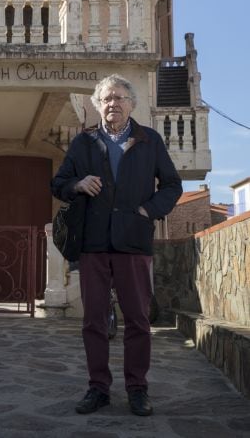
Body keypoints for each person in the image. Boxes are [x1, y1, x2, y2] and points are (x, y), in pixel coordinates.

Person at [51, 74, 182, 417]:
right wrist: (78, 183)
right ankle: (98, 389)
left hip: (133, 242)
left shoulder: (149, 141)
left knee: (137, 320)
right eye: (107, 98)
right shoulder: (83, 143)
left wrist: (147, 210)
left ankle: (138, 389)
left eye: (120, 98)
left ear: (132, 104)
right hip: (93, 243)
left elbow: (171, 186)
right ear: (98, 104)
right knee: (93, 320)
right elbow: (59, 183)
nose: (113, 104)